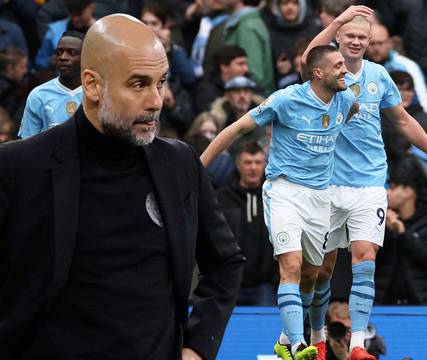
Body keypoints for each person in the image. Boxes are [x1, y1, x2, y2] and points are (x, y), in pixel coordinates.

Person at [0, 14, 245, 360]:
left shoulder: (180, 164)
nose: (155, 101)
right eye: (138, 84)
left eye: (160, 83)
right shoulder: (18, 168)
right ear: (92, 84)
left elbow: (226, 263)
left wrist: (198, 348)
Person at [301, 6, 427, 360]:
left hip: (370, 183)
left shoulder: (379, 76)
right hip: (327, 184)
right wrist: (338, 19)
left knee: (365, 257)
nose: (355, 42)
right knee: (321, 269)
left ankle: (356, 345)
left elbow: (401, 120)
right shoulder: (323, 73)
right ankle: (317, 336)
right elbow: (308, 56)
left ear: (370, 43)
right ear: (338, 37)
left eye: (362, 38)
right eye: (349, 36)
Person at [200, 44, 358, 360]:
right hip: (284, 190)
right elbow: (235, 129)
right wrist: (197, 167)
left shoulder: (346, 101)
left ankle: (286, 339)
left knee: (312, 276)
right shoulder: (287, 99)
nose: (346, 70)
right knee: (292, 266)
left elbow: (351, 110)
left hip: (320, 196)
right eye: (338, 65)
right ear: (318, 73)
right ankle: (299, 344)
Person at [376, 157, 427, 305]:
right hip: (384, 303)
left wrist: (402, 233)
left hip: (421, 304)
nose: (388, 192)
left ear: (408, 192)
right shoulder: (381, 222)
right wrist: (387, 233)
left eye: (393, 187)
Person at [217, 141, 276, 305]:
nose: (253, 168)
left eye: (258, 162)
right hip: (229, 284)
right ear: (238, 165)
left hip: (266, 285)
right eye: (248, 162)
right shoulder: (221, 198)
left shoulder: (275, 198)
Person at [19, 31, 84, 138]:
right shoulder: (39, 95)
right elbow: (27, 143)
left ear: (85, 57)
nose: (63, 57)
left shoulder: (97, 93)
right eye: (59, 52)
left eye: (72, 53)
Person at [366, 23, 427, 114]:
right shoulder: (358, 66)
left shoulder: (407, 65)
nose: (376, 48)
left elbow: (424, 102)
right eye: (372, 44)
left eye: (380, 43)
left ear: (389, 43)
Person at [34, 0, 96, 70]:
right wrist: (51, 61)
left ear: (92, 8)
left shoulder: (103, 33)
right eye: (72, 13)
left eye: (79, 14)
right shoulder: (54, 31)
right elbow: (39, 62)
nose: (75, 19)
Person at [196, 45, 250, 114]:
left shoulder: (251, 83)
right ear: (224, 67)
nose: (246, 69)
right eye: (240, 64)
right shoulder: (207, 91)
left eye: (246, 64)